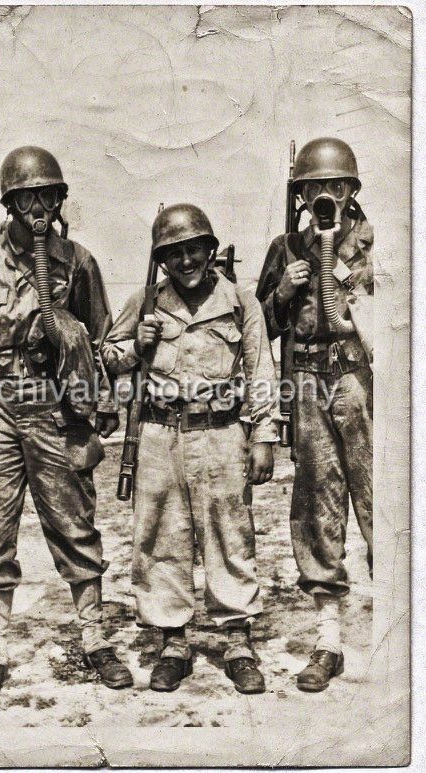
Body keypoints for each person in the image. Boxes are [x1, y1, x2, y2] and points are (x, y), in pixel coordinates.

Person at [0, 146, 133, 702]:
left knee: (74, 523)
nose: (38, 206)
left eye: (48, 195)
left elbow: (107, 336)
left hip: (55, 407)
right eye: (27, 197)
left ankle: (94, 637)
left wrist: (102, 395)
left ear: (59, 200)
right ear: (10, 203)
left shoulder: (78, 261)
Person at [102, 204, 279, 694]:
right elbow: (110, 358)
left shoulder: (241, 302)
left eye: (194, 249)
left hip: (222, 435)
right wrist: (137, 343)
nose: (186, 261)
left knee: (230, 534)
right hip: (160, 435)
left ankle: (237, 641)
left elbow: (261, 372)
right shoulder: (145, 301)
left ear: (210, 250)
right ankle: (173, 643)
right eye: (174, 253)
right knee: (161, 538)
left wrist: (263, 435)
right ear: (161, 260)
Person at [256, 137, 373, 692]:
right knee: (317, 502)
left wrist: (343, 283)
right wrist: (283, 289)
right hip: (305, 384)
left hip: (358, 381)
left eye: (335, 185)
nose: (324, 195)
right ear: (300, 194)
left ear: (351, 191)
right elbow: (260, 326)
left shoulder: (375, 247)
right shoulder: (285, 249)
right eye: (313, 187)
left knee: (380, 501)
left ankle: (402, 632)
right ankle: (330, 639)